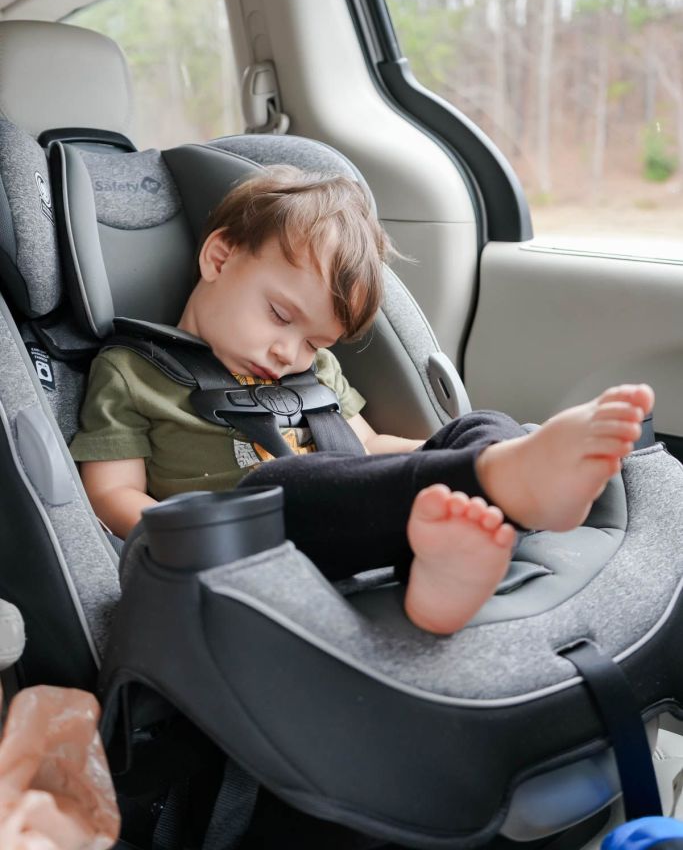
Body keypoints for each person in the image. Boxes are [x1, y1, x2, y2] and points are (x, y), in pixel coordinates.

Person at [70, 167, 654, 635]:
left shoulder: (312, 371)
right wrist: (203, 534)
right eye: (279, 316)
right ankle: (504, 485)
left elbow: (366, 445)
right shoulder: (131, 372)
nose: (286, 353)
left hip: (347, 512)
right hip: (250, 543)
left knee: (479, 423)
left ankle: (475, 518)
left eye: (315, 343)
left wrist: (435, 454)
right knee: (297, 481)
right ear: (219, 258)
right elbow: (109, 492)